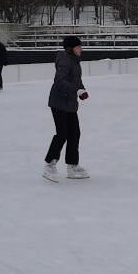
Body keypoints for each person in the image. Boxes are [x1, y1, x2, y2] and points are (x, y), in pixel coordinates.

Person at [43, 36, 90, 182]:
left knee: (74, 133)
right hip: (58, 102)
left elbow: (77, 80)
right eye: (78, 46)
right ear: (71, 48)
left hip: (69, 103)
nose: (80, 49)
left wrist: (81, 90)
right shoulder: (65, 60)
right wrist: (76, 91)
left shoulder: (75, 61)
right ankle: (49, 164)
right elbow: (60, 81)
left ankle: (72, 165)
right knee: (62, 134)